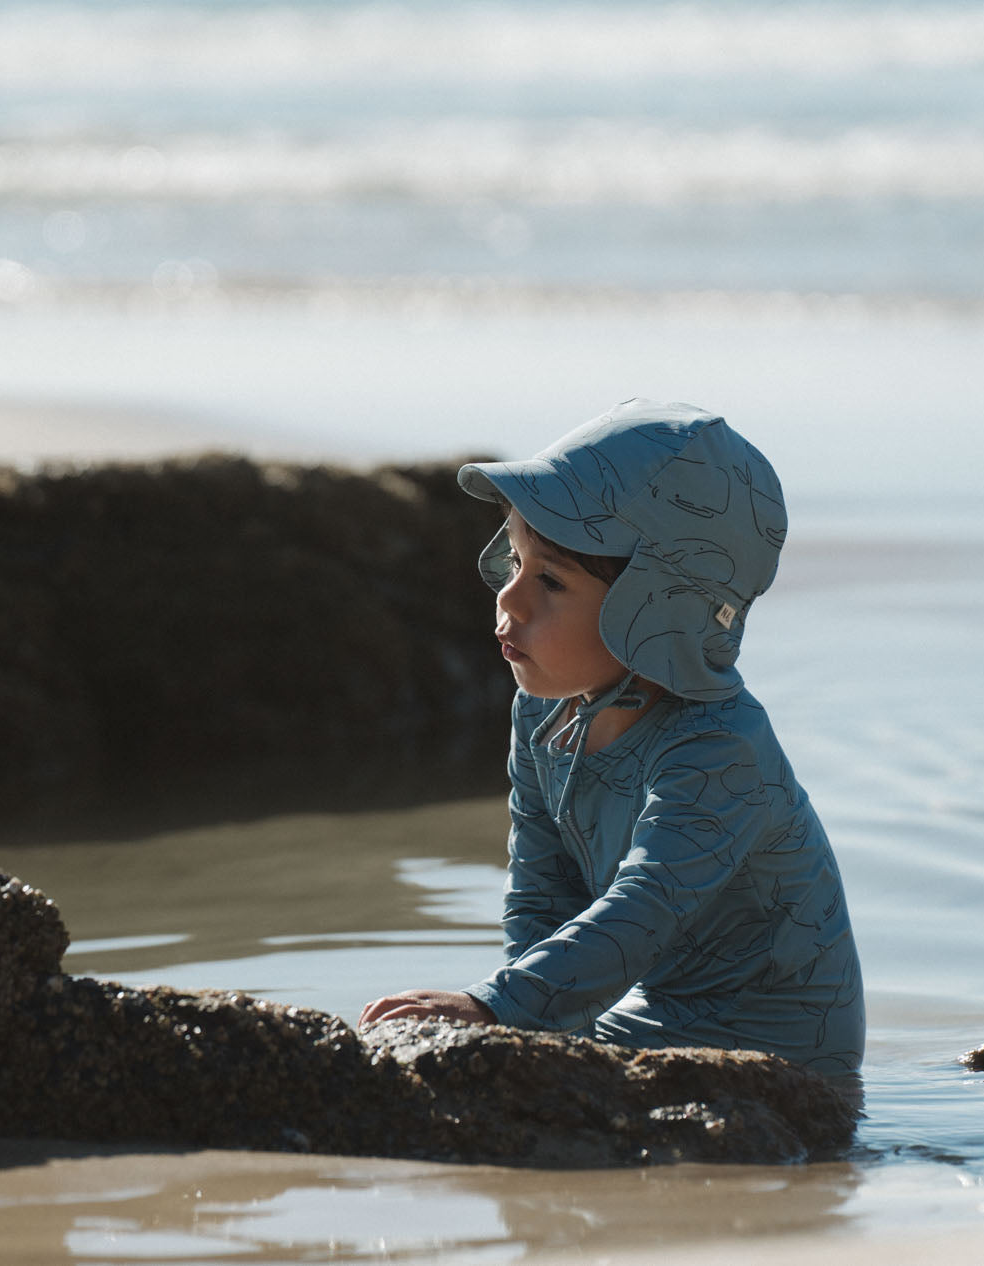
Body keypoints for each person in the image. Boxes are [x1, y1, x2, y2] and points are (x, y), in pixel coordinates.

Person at [359, 398, 864, 1075]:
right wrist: (525, 1032)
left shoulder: (721, 752)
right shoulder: (542, 715)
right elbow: (541, 895)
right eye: (512, 562)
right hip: (655, 1019)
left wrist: (493, 1008)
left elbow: (645, 910)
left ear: (658, 612)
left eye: (550, 580)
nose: (508, 599)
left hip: (782, 1054)